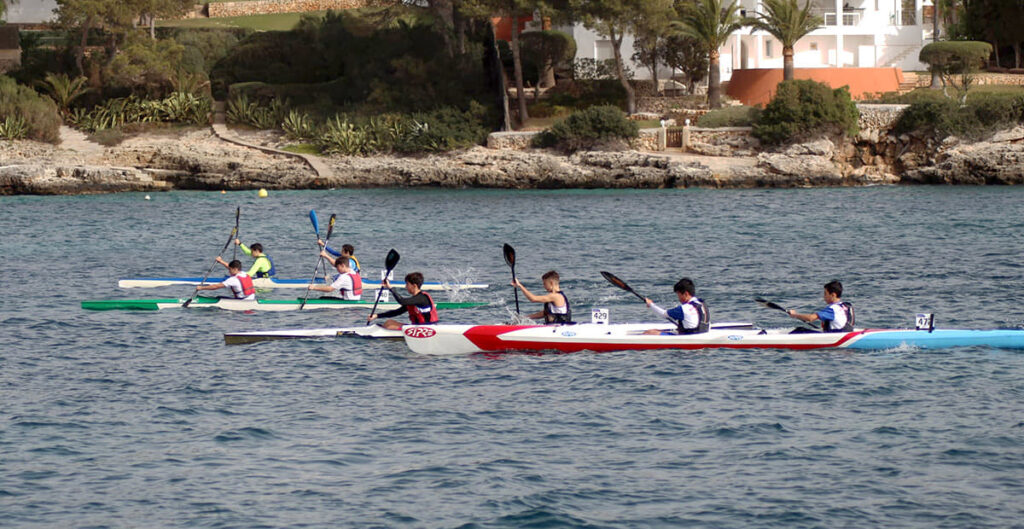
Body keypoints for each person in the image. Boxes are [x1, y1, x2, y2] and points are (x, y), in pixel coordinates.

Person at [367, 272, 437, 330]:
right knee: (389, 322)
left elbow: (402, 301)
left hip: (427, 329)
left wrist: (390, 288)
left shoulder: (421, 298)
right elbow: (397, 312)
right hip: (418, 328)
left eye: (407, 284)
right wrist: (376, 316)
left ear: (414, 286)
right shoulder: (414, 300)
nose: (405, 287)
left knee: (389, 325)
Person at [642, 278, 710, 335]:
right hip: (702, 333)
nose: (678, 298)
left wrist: (651, 304)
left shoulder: (684, 308)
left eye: (679, 295)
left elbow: (663, 314)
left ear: (686, 294)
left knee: (649, 332)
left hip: (688, 337)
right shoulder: (701, 303)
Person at [787, 280, 855, 332]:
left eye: (825, 294)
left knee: (799, 330)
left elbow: (811, 318)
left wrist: (794, 315)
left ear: (833, 295)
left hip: (834, 336)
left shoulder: (832, 309)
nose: (824, 297)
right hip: (845, 332)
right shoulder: (845, 306)